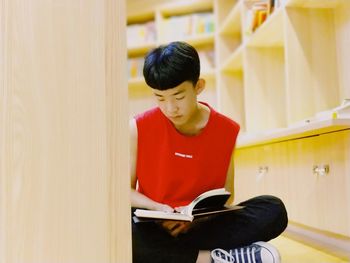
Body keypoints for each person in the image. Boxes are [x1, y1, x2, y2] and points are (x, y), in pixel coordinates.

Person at [130, 41, 288, 263]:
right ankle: (212, 258)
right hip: (155, 227)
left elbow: (227, 192)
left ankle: (182, 257)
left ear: (198, 86)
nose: (170, 108)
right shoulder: (137, 127)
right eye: (159, 98)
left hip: (202, 227)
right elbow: (125, 191)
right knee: (122, 228)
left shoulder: (226, 130)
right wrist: (158, 208)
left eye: (178, 96)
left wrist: (196, 220)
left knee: (273, 209)